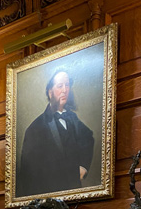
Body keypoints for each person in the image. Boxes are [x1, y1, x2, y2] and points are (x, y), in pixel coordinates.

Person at [18, 68, 94, 197]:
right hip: (48, 196)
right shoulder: (35, 128)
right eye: (60, 86)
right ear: (50, 92)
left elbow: (88, 137)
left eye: (67, 85)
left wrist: (84, 166)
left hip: (74, 194)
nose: (65, 90)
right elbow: (29, 173)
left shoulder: (72, 118)